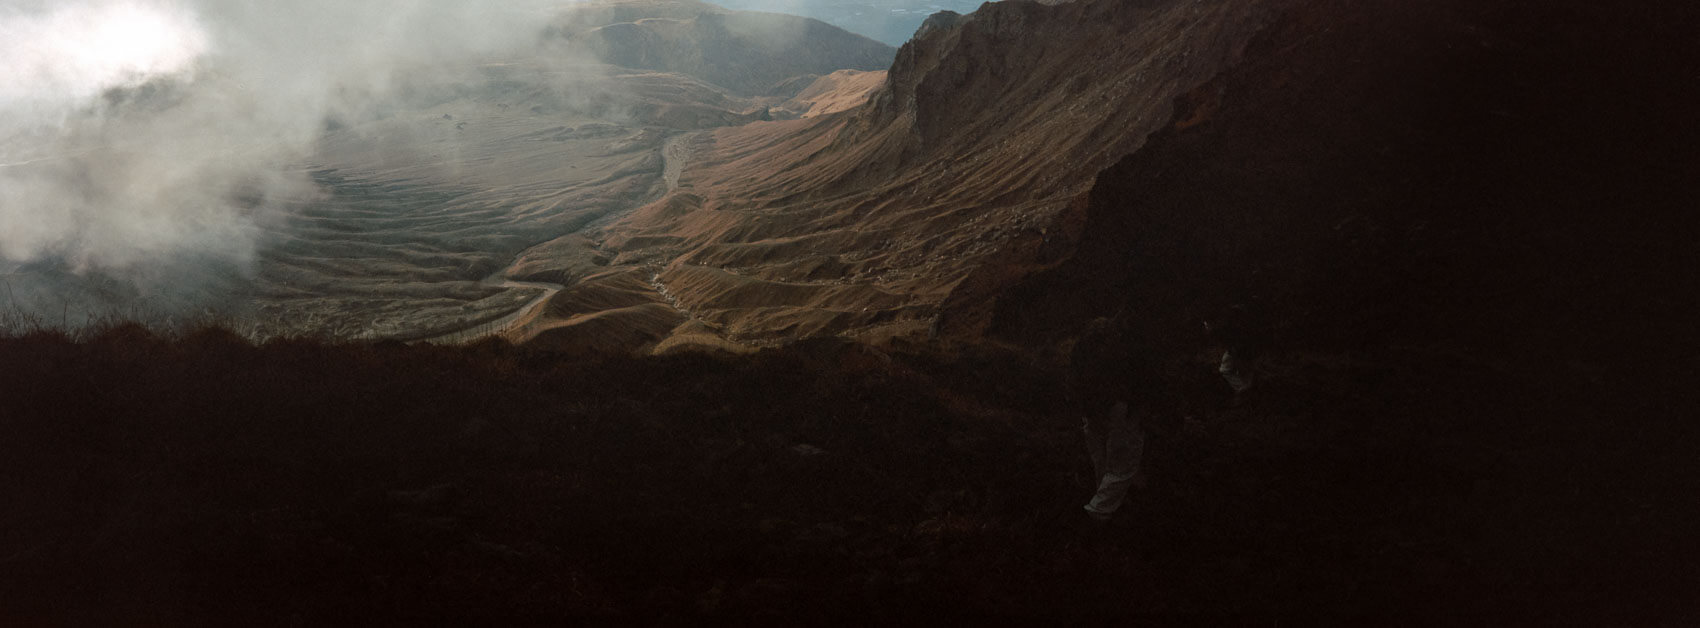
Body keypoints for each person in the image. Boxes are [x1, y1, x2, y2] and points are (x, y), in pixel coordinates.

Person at [1069, 314, 1157, 522]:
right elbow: (1139, 377)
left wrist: (1087, 409)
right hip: (1117, 407)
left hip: (1092, 409)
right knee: (1123, 461)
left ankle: (1109, 498)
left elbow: (1074, 381)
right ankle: (1098, 511)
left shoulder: (1081, 349)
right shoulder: (1124, 348)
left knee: (1102, 457)